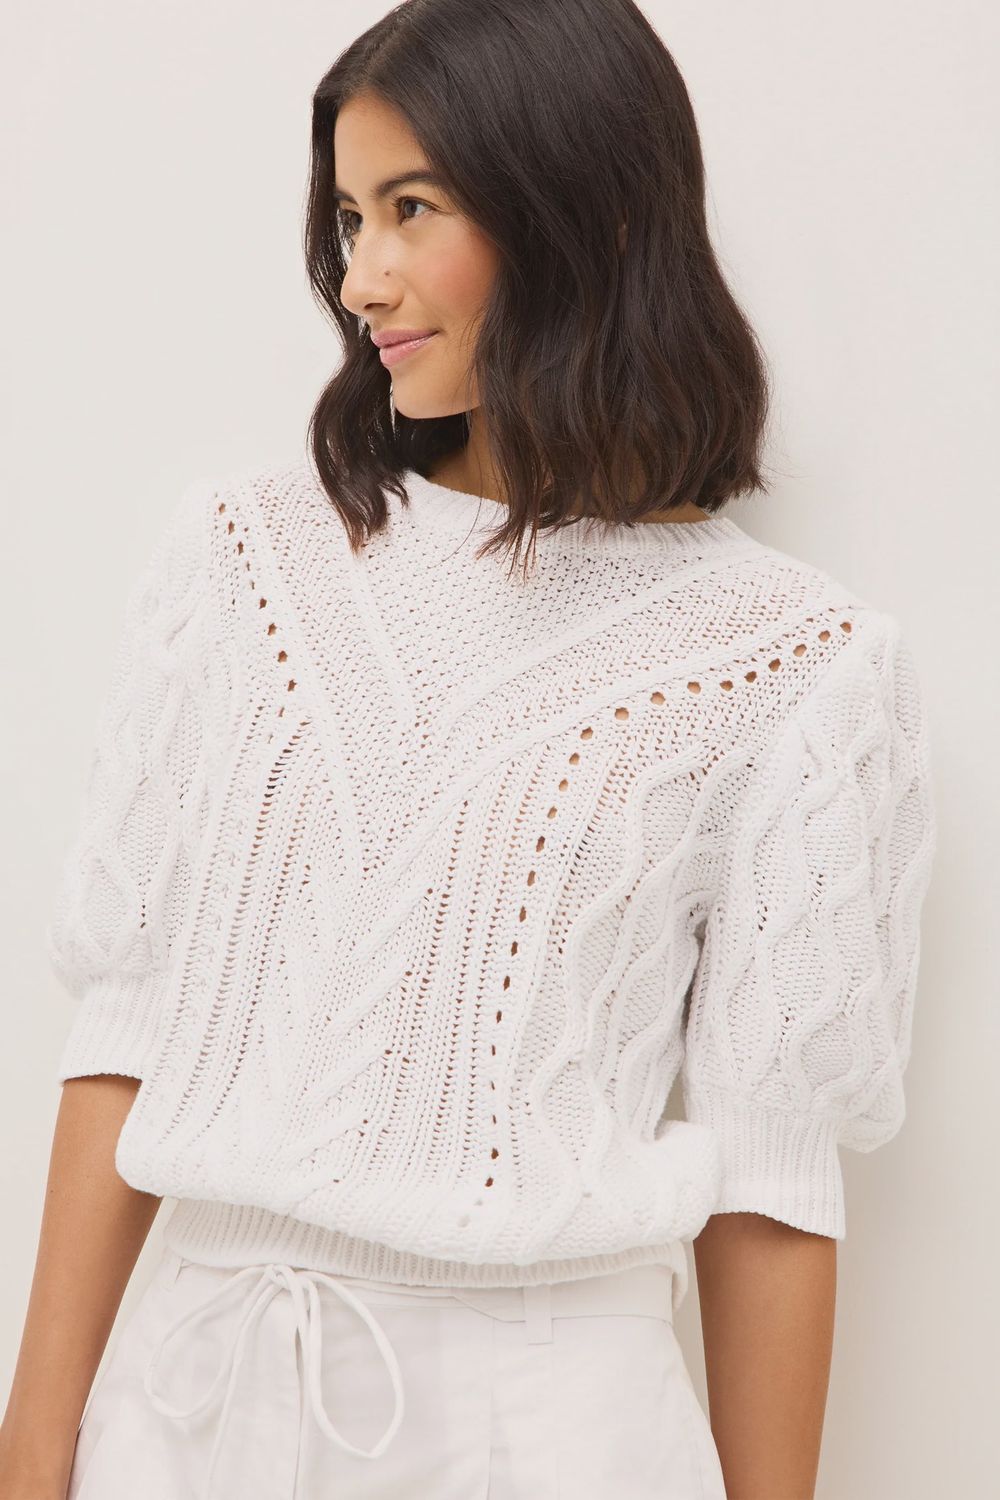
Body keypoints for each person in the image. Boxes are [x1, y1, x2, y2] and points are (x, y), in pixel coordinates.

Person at [0, 1, 937, 1497]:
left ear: (581, 210)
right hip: (193, 1404)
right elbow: (126, 1030)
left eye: (413, 208)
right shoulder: (242, 559)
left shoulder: (797, 663)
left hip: (548, 1429)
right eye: (348, 218)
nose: (360, 276)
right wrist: (32, 1451)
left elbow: (772, 1181)